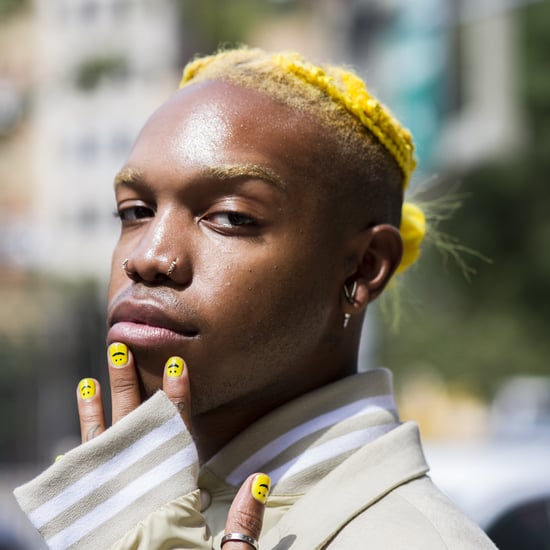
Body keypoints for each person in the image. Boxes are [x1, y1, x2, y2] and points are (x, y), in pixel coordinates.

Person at [15, 47, 497, 549]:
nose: (147, 257)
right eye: (135, 211)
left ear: (363, 266)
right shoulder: (126, 515)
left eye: (230, 217)